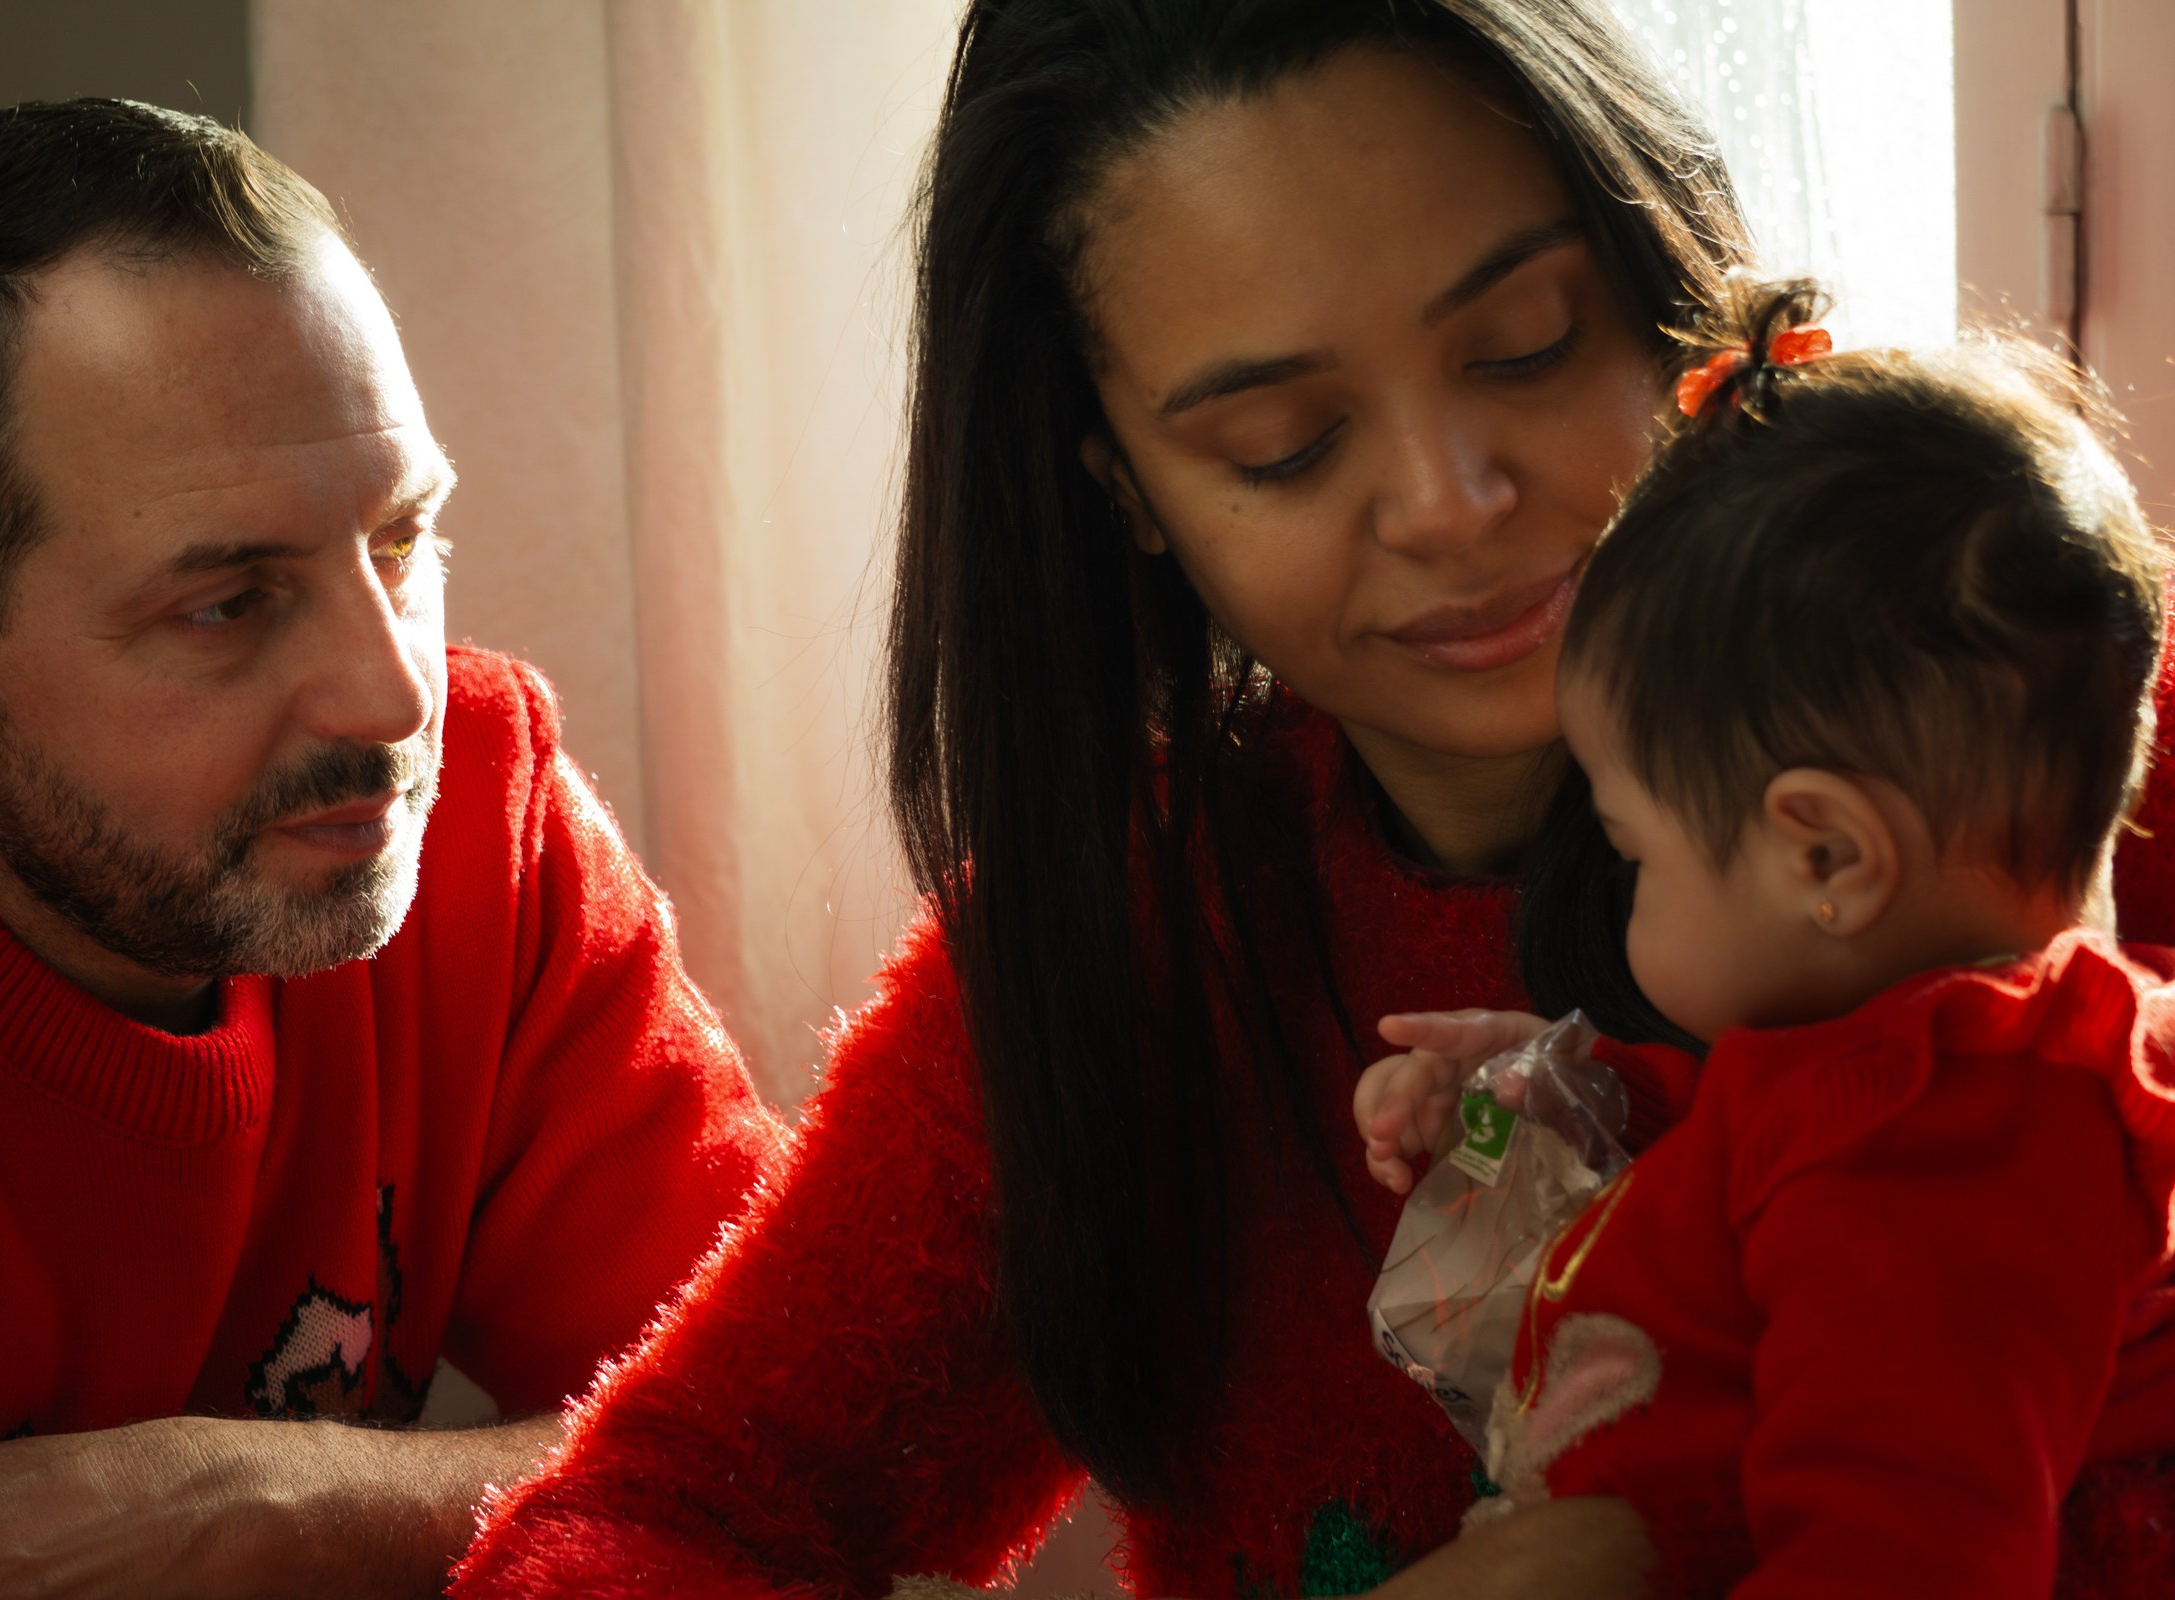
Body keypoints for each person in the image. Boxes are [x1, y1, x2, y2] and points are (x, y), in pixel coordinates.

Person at [452, 3, 2175, 1597]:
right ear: (1125, 489)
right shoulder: (1134, 924)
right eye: (1283, 443)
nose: (1450, 500)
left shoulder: (2058, 742)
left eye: (1526, 345)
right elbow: (658, 1506)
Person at [0, 100, 784, 1597]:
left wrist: (254, 1505)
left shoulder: (478, 812)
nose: (394, 697)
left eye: (401, 543)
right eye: (229, 601)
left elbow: (806, 1438)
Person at [1357, 283, 2175, 1596]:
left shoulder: (1954, 1177)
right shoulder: (1915, 1081)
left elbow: (1907, 1554)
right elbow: (1768, 1146)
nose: (1622, 902)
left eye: (1638, 858)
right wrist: (1571, 1091)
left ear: (1827, 857)